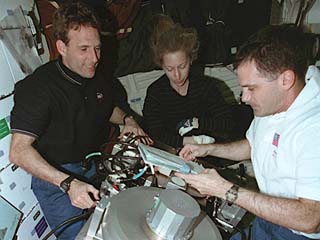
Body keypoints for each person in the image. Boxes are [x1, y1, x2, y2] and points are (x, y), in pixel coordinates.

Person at [9, 2, 151, 239]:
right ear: (61, 47)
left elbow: (105, 108)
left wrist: (128, 120)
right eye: (84, 49)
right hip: (56, 180)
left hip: (91, 169)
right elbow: (18, 151)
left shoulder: (96, 76)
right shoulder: (38, 88)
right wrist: (67, 184)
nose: (94, 58)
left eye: (97, 48)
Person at [176, 24, 320, 240]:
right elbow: (253, 144)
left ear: (286, 80)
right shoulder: (274, 102)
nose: (244, 97)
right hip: (269, 217)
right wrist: (208, 149)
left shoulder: (313, 128)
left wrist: (226, 189)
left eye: (251, 88)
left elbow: (310, 219)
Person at [143, 15, 235, 149]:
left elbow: (227, 123)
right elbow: (154, 133)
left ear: (191, 60)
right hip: (173, 154)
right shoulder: (155, 92)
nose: (177, 75)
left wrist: (197, 123)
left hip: (209, 151)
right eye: (169, 69)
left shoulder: (206, 87)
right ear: (161, 65)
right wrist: (189, 141)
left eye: (182, 66)